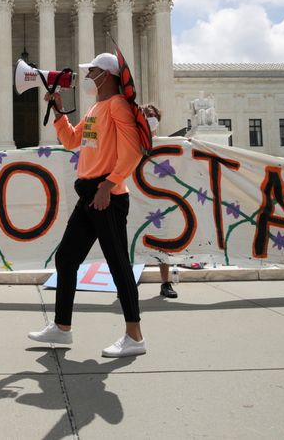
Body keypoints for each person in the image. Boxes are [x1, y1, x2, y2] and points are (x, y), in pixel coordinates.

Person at [28, 52, 146, 358]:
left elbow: (133, 151)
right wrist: (58, 113)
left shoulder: (118, 105)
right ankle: (62, 327)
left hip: (106, 194)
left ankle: (135, 337)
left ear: (106, 75)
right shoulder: (97, 107)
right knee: (67, 258)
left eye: (92, 71)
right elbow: (71, 141)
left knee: (118, 263)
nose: (88, 77)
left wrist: (110, 184)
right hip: (90, 193)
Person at [141, 104, 178, 299]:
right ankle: (127, 284)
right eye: (145, 115)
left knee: (163, 243)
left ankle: (166, 282)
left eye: (152, 115)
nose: (149, 118)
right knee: (130, 240)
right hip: (137, 199)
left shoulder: (167, 144)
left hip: (160, 201)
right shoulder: (133, 142)